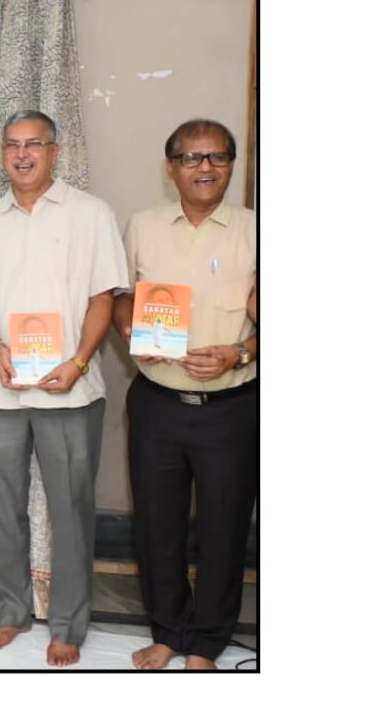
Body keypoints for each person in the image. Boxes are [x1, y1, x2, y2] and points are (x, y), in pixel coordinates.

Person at [0, 109, 128, 667]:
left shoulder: (91, 215)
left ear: (54, 151)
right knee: (3, 506)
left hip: (70, 390)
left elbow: (102, 297)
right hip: (2, 392)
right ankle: (11, 611)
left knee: (71, 509)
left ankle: (68, 624)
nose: (22, 154)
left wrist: (80, 361)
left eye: (34, 144)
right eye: (12, 145)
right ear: (3, 154)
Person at [112, 118, 257, 671]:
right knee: (158, 527)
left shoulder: (256, 230)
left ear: (231, 165)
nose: (205, 167)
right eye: (192, 158)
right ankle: (168, 633)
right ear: (171, 167)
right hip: (157, 402)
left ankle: (206, 644)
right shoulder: (143, 226)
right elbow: (121, 296)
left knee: (224, 530)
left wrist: (240, 352)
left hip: (231, 408)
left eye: (217, 157)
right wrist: (130, 329)